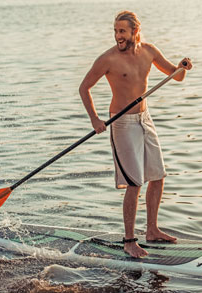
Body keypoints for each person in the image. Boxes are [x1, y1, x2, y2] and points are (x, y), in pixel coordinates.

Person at [79, 10, 192, 258]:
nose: (118, 36)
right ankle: (129, 240)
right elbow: (84, 87)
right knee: (134, 182)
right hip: (122, 124)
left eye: (122, 31)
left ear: (134, 32)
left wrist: (183, 67)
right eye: (116, 31)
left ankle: (152, 230)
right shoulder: (107, 59)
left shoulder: (149, 51)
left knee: (158, 175)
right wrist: (95, 119)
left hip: (145, 118)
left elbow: (177, 76)